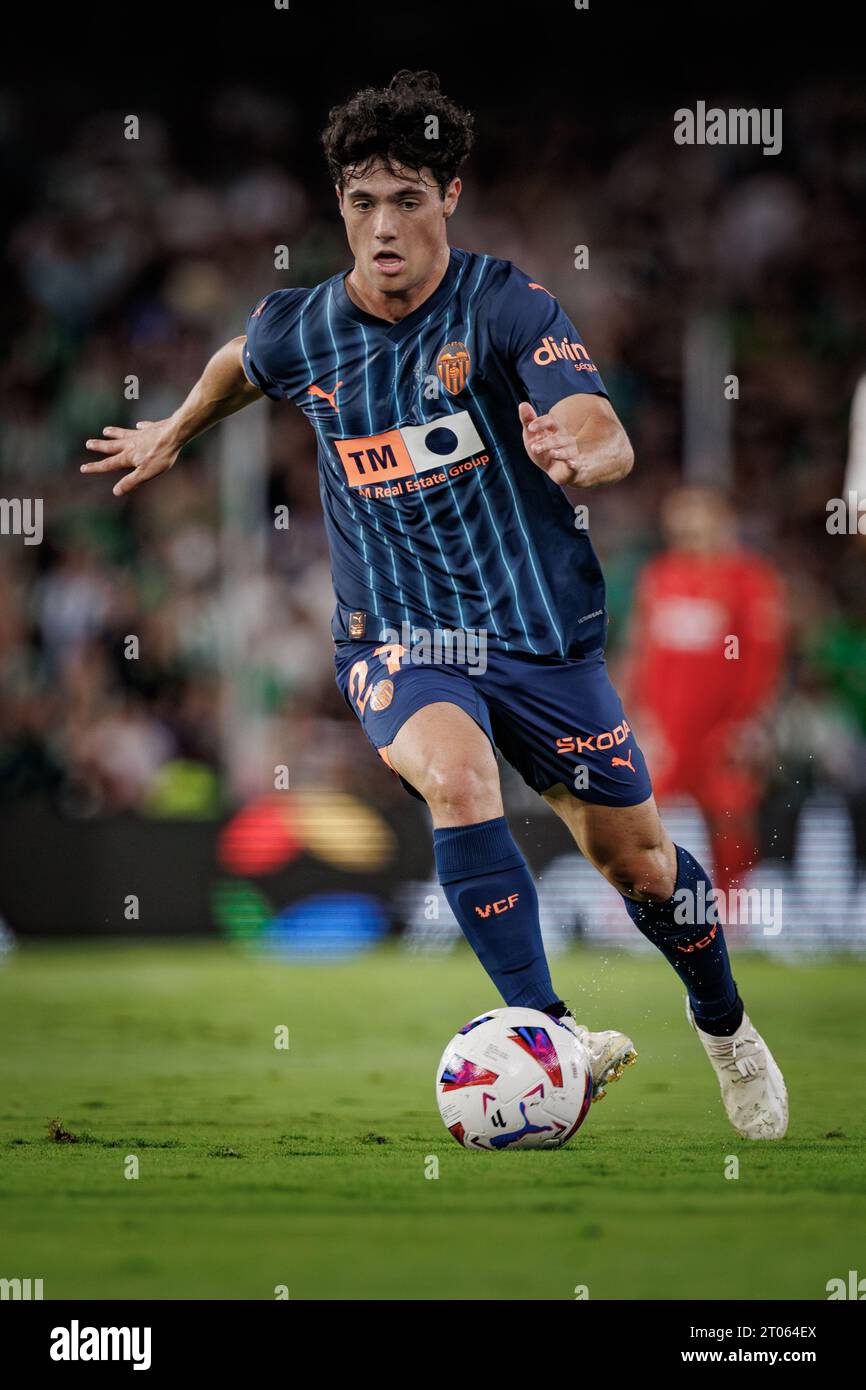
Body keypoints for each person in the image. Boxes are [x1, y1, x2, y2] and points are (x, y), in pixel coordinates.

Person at [81, 70, 786, 1138]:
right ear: (339, 211)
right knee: (457, 780)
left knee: (638, 863)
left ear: (447, 197)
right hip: (398, 640)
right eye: (361, 201)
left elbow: (601, 425)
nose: (382, 225)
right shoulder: (304, 327)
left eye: (406, 197)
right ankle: (551, 1036)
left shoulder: (507, 304)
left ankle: (724, 1023)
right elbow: (239, 358)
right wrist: (176, 429)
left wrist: (577, 453)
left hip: (542, 637)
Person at [624, 486, 787, 896]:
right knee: (643, 815)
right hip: (666, 727)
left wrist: (751, 722)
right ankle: (644, 907)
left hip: (723, 726)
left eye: (698, 524)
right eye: (680, 526)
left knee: (729, 812)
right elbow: (640, 650)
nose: (689, 535)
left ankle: (735, 907)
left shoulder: (750, 579)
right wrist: (636, 714)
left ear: (722, 522)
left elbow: (764, 658)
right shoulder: (660, 575)